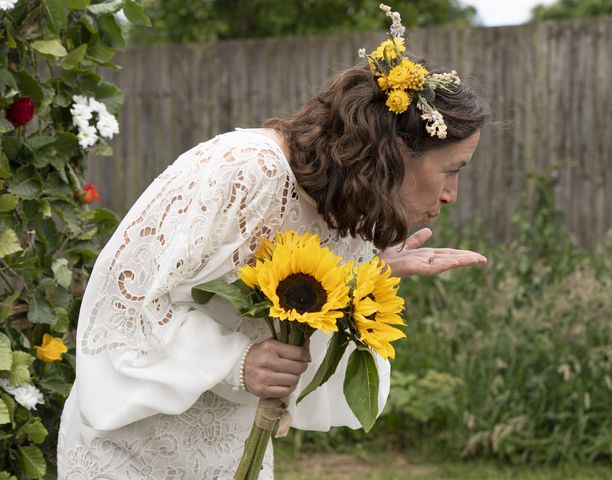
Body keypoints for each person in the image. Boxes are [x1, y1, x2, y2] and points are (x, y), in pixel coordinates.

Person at [57, 5, 489, 479]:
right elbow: (124, 300)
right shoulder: (246, 170)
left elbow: (294, 323)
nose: (451, 196)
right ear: (398, 152)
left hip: (232, 452)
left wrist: (363, 278)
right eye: (451, 172)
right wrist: (234, 363)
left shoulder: (348, 207)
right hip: (130, 452)